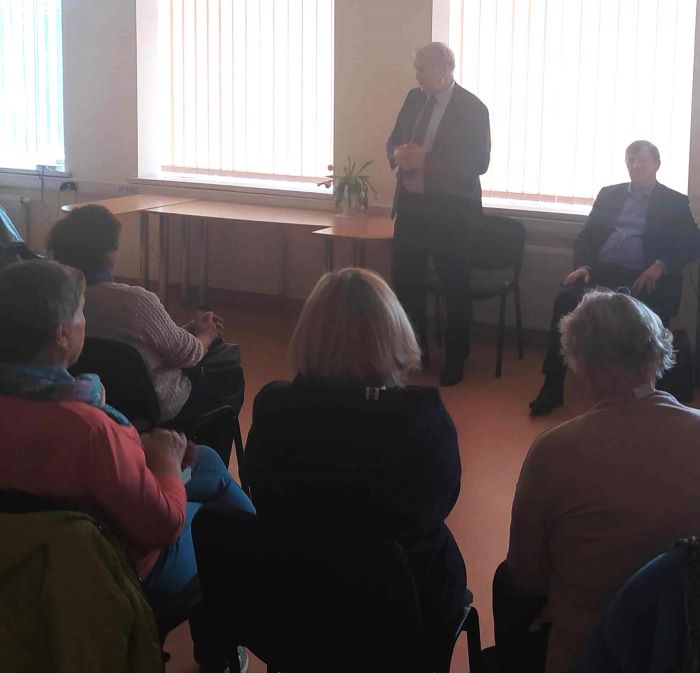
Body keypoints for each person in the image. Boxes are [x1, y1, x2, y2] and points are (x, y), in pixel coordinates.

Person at [0, 260, 254, 673]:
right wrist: (165, 461)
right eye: (81, 312)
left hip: (21, 559)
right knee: (216, 526)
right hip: (109, 568)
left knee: (206, 460)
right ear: (61, 334)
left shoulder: (75, 419)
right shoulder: (91, 429)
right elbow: (162, 525)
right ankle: (223, 647)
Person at [244, 268, 466, 659]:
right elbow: (441, 504)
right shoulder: (423, 420)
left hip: (294, 608)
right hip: (402, 621)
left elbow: (261, 491)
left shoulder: (272, 407)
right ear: (394, 333)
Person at [498, 289, 700, 673]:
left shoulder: (554, 450)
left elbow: (527, 578)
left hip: (592, 657)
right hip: (687, 652)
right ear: (657, 353)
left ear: (582, 365)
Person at [529, 140, 700, 416]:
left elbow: (692, 242)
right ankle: (552, 384)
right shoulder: (609, 195)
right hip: (602, 273)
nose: (636, 166)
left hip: (644, 278)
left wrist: (661, 265)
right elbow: (586, 237)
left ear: (657, 164)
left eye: (642, 160)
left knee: (645, 317)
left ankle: (645, 394)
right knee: (566, 299)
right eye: (631, 160)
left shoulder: (673, 201)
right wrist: (583, 265)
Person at [47, 204, 242, 423]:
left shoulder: (54, 302)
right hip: (155, 409)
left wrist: (189, 329)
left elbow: (146, 340)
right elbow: (186, 356)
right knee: (229, 368)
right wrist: (207, 334)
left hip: (90, 404)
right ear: (109, 254)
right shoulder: (134, 301)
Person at [387, 42, 491, 387]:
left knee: (454, 287)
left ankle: (456, 358)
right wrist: (398, 154)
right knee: (406, 283)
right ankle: (414, 353)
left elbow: (478, 163)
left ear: (446, 67)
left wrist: (427, 161)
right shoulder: (413, 99)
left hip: (452, 215)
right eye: (416, 69)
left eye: (423, 69)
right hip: (411, 209)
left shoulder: (473, 108)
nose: (417, 76)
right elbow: (393, 140)